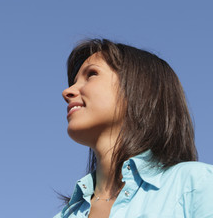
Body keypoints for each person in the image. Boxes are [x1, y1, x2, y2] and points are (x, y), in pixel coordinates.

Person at [54, 39, 213, 218]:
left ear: (139, 90)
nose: (67, 92)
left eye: (91, 74)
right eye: (74, 81)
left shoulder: (196, 186)